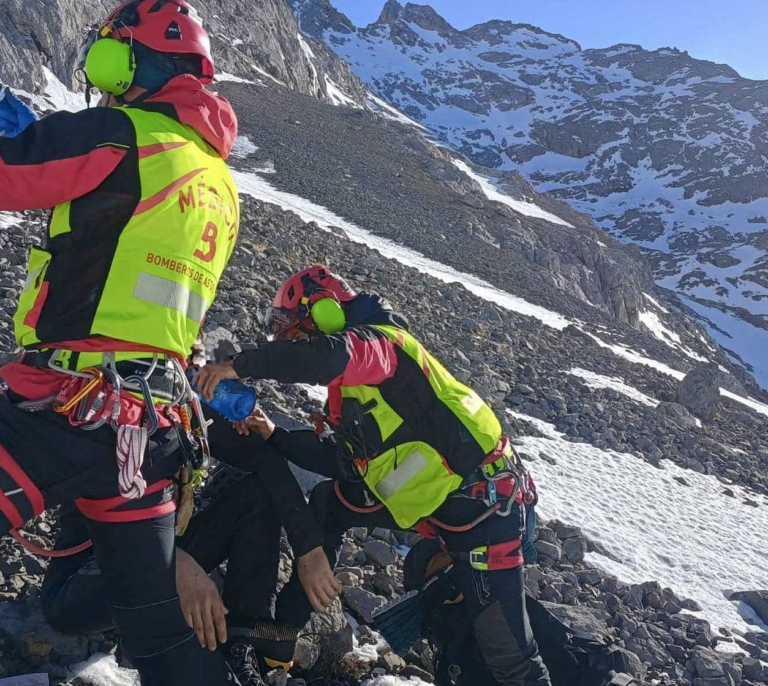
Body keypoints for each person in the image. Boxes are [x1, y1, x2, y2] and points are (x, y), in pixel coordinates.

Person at [0, 1, 242, 683]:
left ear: (138, 61)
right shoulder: (217, 178)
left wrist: (33, 145)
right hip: (145, 434)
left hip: (62, 409)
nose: (100, 77)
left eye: (109, 57)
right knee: (160, 632)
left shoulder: (120, 133)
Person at [197, 265, 552, 686]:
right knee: (330, 503)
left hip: (485, 511)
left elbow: (328, 357)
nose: (292, 342)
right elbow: (346, 465)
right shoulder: (356, 389)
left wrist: (239, 366)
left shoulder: (379, 346)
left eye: (294, 331)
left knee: (511, 659)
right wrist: (274, 435)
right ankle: (280, 641)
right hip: (438, 509)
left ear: (326, 312)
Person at [41, 402, 341, 686]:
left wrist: (308, 548)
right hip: (89, 573)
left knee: (257, 488)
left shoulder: (177, 400)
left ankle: (241, 638)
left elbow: (263, 458)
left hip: (163, 548)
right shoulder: (103, 409)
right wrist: (170, 562)